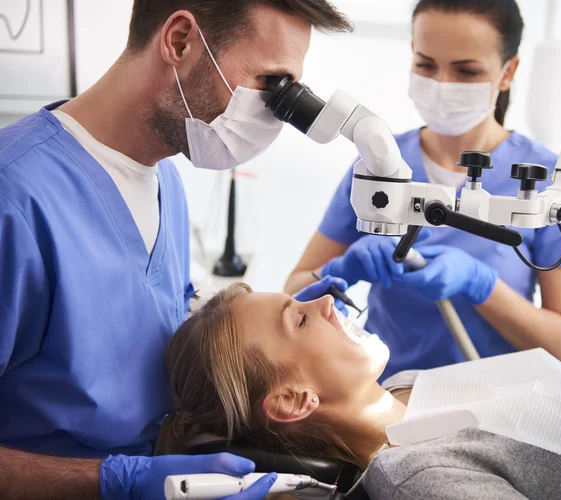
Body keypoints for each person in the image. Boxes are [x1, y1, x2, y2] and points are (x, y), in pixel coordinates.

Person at [0, 1, 352, 498]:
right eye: (271, 84)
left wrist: (292, 322)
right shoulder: (13, 196)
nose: (276, 114)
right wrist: (104, 482)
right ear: (180, 41)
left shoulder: (165, 177)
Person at [159, 284, 561, 499]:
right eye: (301, 319)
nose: (326, 301)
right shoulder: (421, 479)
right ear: (292, 400)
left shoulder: (409, 388)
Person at [285, 0, 561, 381]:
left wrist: (481, 285)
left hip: (497, 410)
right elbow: (293, 293)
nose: (442, 85)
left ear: (508, 72)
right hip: (389, 398)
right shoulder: (379, 165)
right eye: (426, 65)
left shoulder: (549, 180)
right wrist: (340, 270)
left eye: (466, 71)